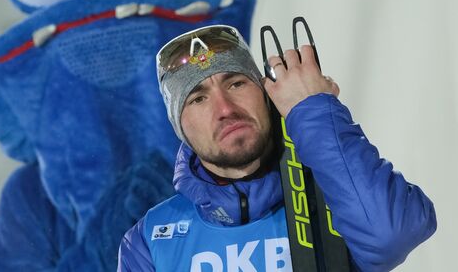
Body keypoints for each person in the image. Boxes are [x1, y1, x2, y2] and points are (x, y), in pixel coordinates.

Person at [117, 24, 436, 271]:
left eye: (236, 83)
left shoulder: (336, 198)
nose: (225, 108)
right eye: (199, 98)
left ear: (267, 96)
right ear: (180, 127)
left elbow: (391, 235)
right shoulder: (150, 239)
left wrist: (314, 110)